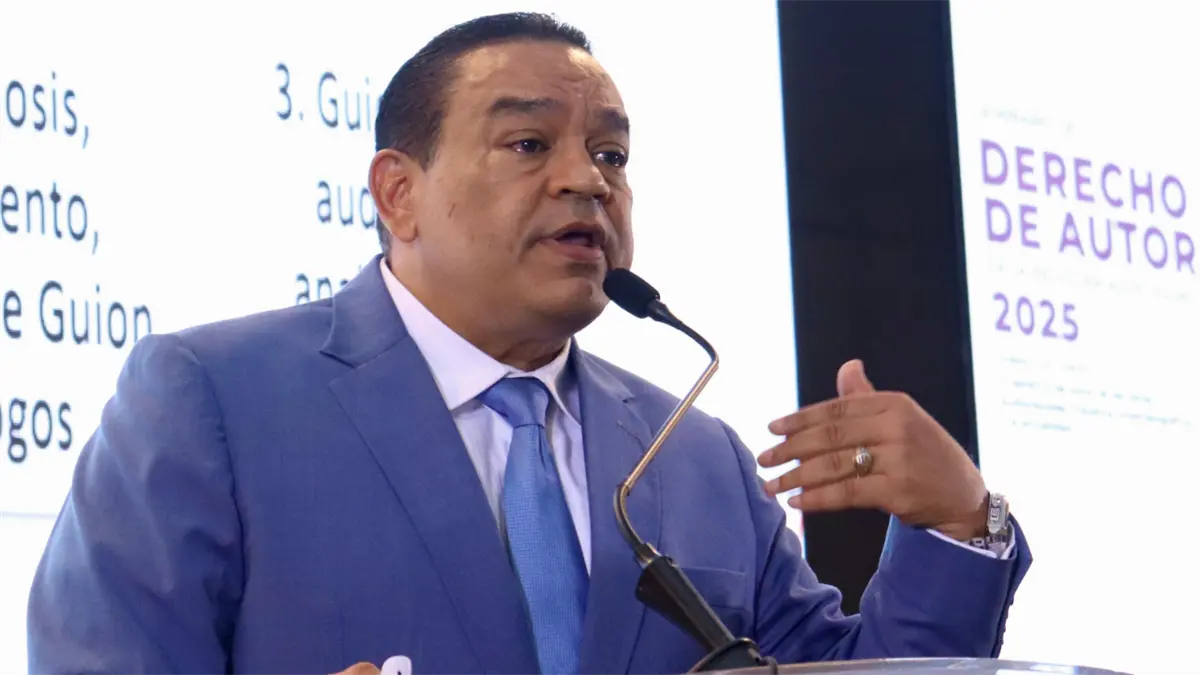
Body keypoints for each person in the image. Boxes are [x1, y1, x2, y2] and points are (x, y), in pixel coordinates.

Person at [27, 12, 1030, 675]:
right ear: (397, 193)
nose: (588, 180)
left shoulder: (694, 456)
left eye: (612, 155)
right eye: (528, 144)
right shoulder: (212, 401)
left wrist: (957, 519)